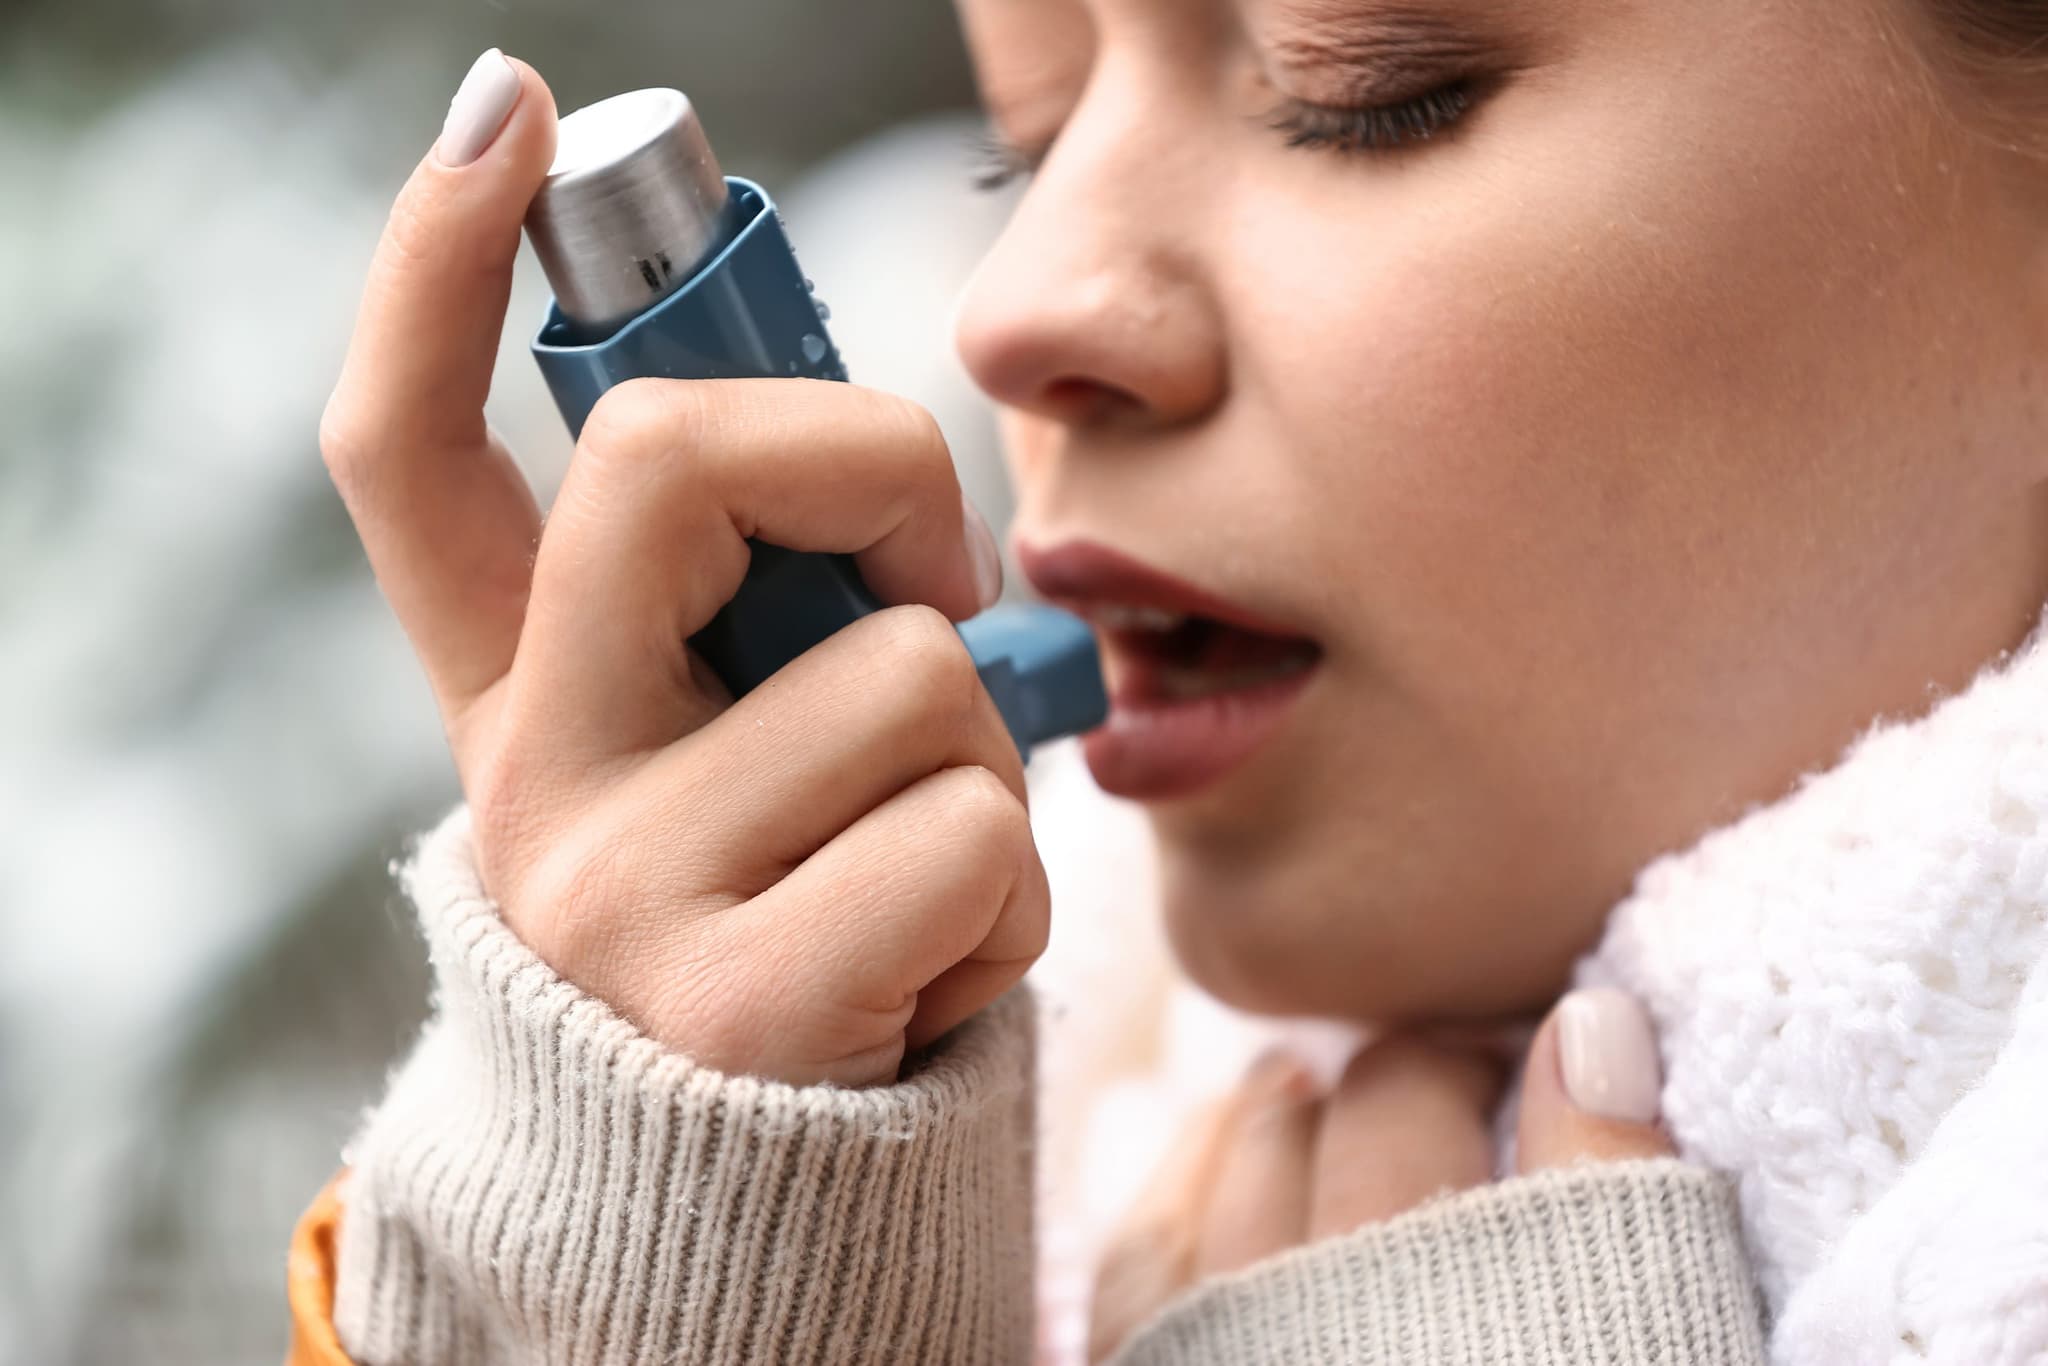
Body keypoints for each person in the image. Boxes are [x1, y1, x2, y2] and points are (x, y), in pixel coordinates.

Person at [289, 0, 2048, 1357]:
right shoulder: (929, 1072)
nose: (1011, 310)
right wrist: (628, 1266)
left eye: (1361, 84)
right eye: (1025, 142)